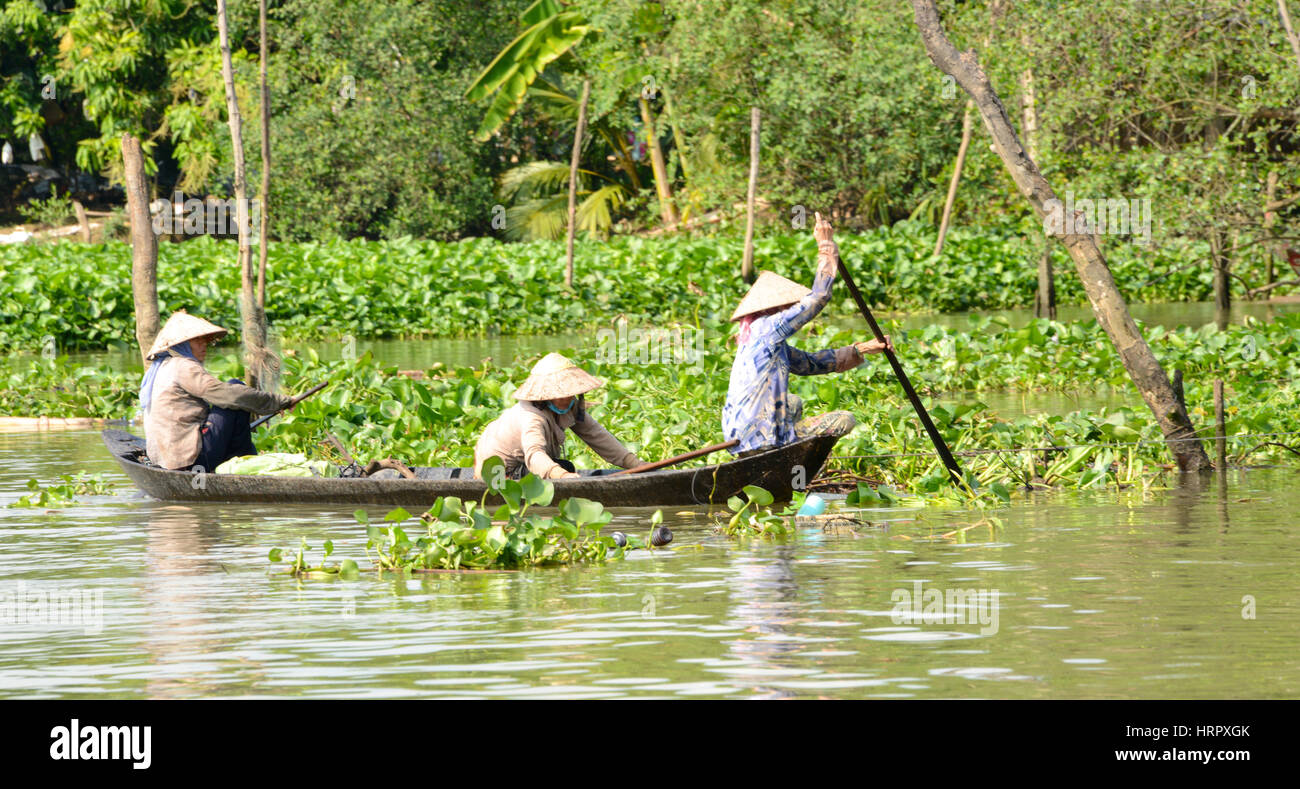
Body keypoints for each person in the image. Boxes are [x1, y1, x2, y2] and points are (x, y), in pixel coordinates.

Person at [722, 212, 893, 456]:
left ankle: (780, 458)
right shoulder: (768, 328)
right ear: (773, 308)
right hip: (757, 438)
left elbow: (810, 364)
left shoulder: (764, 342)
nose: (789, 310)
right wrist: (827, 248)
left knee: (793, 403)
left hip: (741, 438)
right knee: (844, 419)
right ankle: (786, 459)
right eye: (786, 306)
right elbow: (818, 298)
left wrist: (861, 349)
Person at [140, 311, 294, 472]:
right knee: (235, 392)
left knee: (235, 396)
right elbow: (227, 394)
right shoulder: (183, 366)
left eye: (205, 341)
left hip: (167, 459)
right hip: (191, 460)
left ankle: (242, 460)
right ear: (182, 345)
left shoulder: (163, 366)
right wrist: (278, 402)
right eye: (197, 341)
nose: (204, 345)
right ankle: (243, 461)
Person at [475, 353, 642, 480]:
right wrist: (561, 475)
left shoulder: (571, 404)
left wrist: (635, 464)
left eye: (569, 393)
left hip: (522, 465)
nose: (566, 398)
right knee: (564, 467)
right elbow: (534, 454)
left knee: (564, 467)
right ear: (546, 395)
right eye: (560, 394)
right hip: (498, 474)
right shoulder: (531, 415)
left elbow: (596, 435)